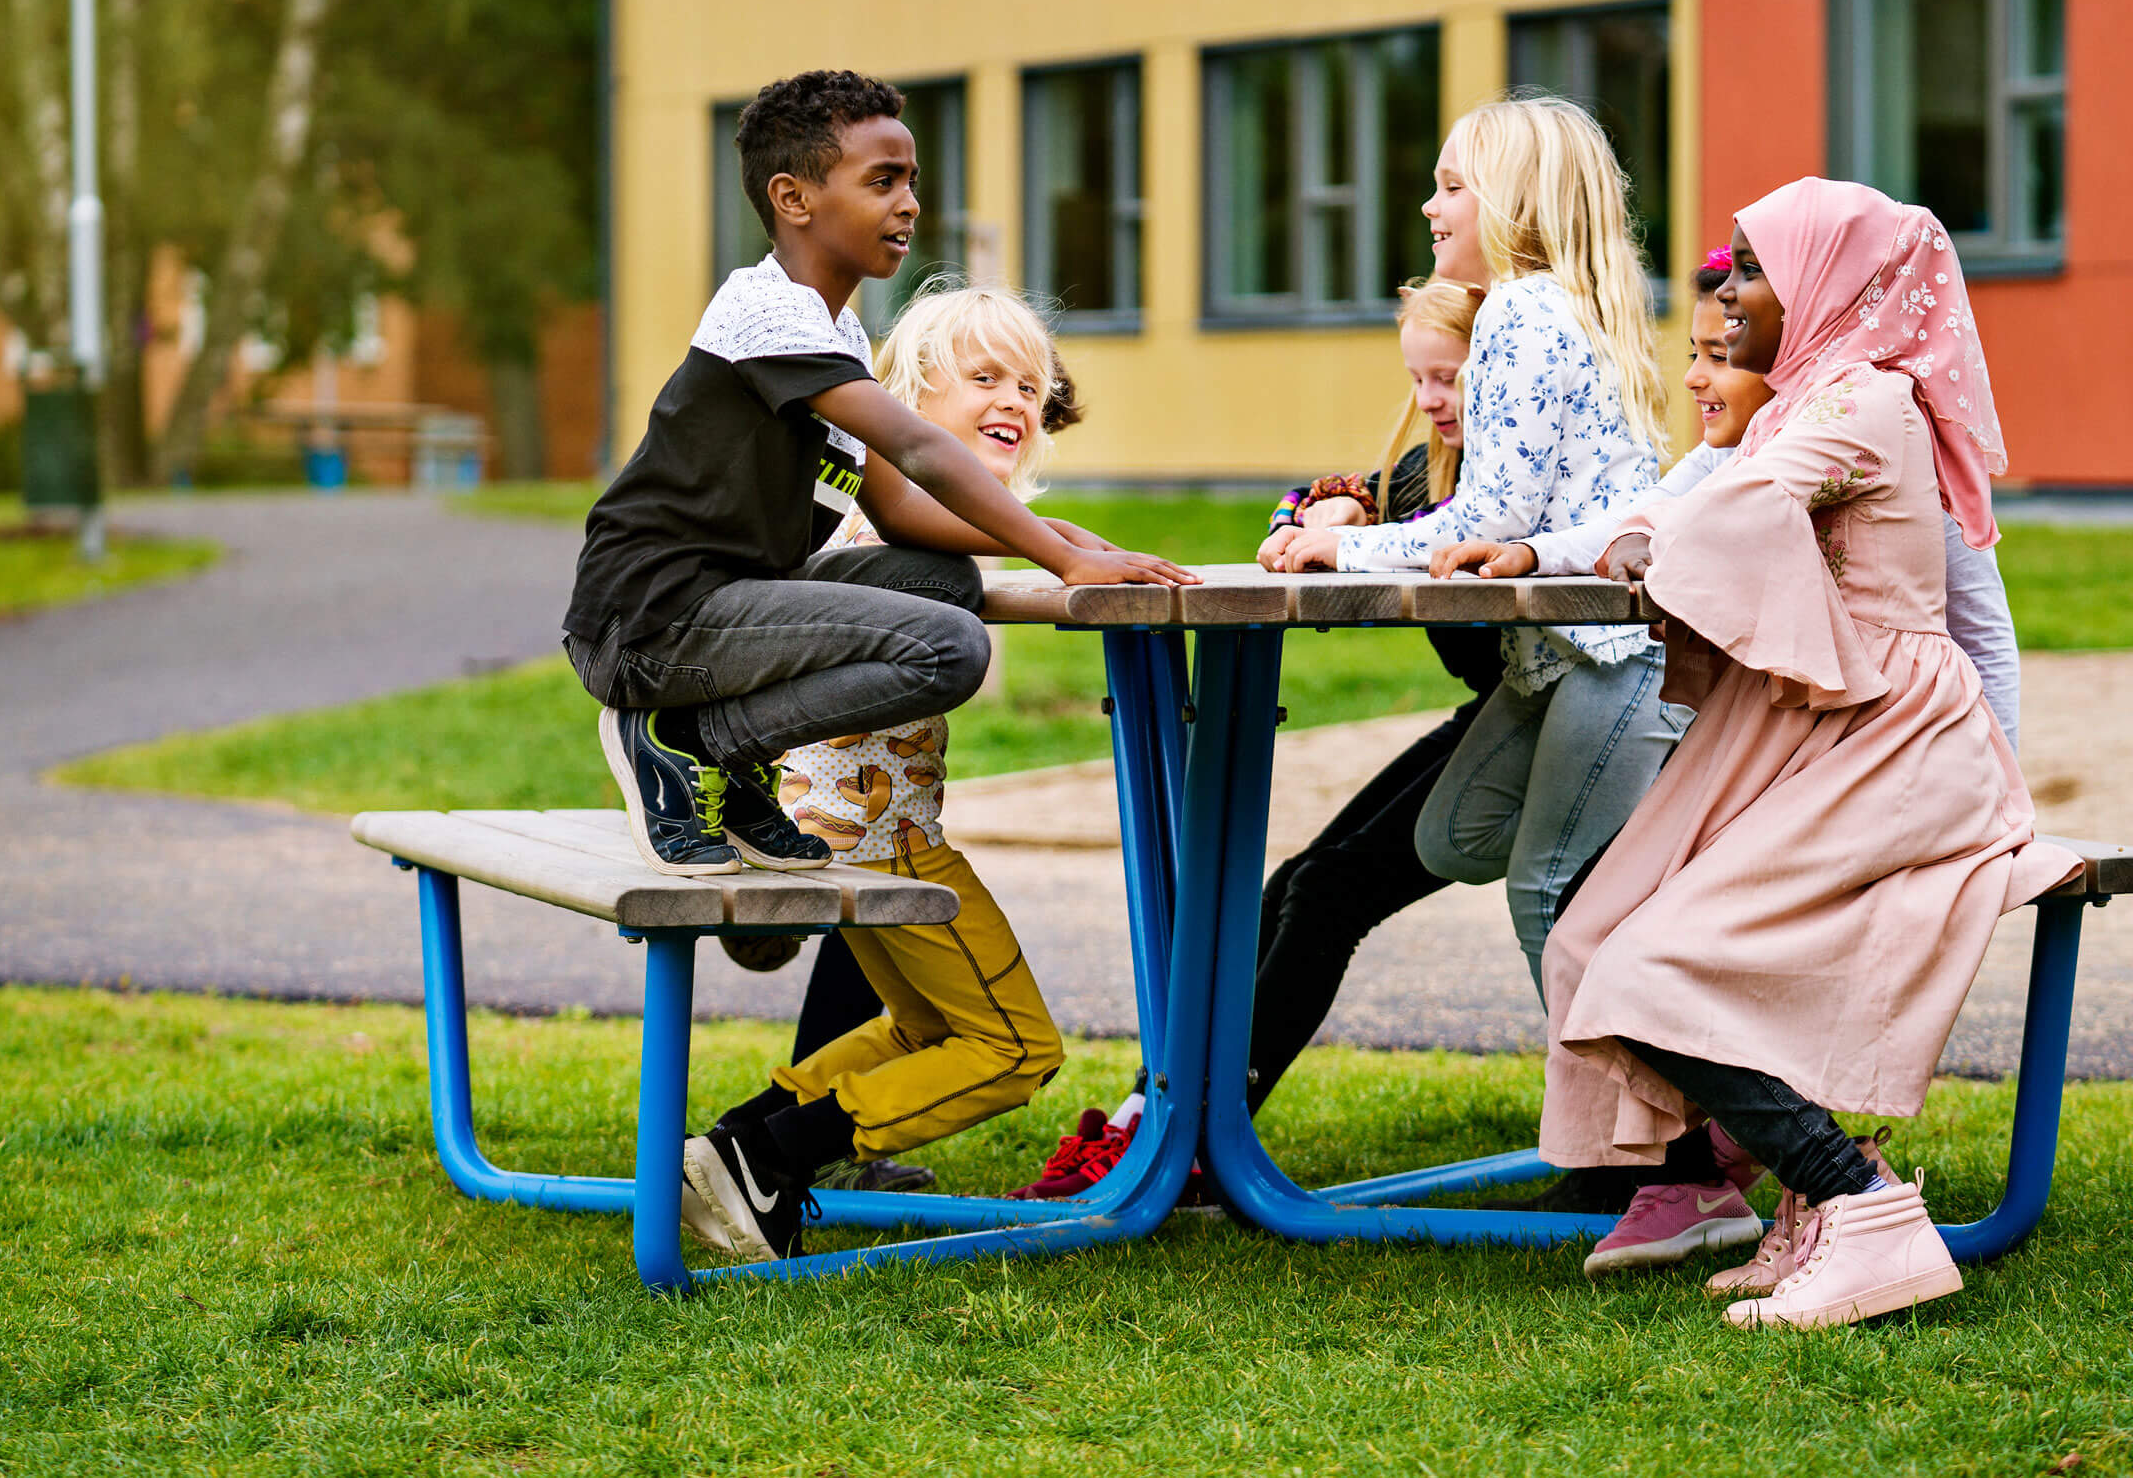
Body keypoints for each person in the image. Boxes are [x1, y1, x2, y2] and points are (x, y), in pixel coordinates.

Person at [1533, 178, 2080, 1330]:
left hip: (1887, 742)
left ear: (1836, 285)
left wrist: (1651, 542)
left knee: (1654, 968)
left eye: (1756, 266)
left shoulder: (1869, 405)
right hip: (1809, 728)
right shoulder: (1807, 399)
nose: (1731, 288)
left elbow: (1737, 512)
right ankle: (1805, 1205)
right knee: (1593, 937)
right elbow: (1711, 499)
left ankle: (1861, 1202)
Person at [564, 67, 1188, 886]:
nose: (910, 205)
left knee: (941, 585)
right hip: (650, 622)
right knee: (950, 648)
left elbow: (896, 508)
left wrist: (1061, 538)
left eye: (913, 182)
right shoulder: (768, 314)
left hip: (725, 608)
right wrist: (1063, 562)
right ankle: (691, 742)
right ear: (794, 199)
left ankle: (721, 756)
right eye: (883, 182)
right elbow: (925, 452)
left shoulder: (838, 333)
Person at [1006, 277, 1499, 1199]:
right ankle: (1164, 1120)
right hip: (1497, 714)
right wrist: (1321, 517)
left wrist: (1349, 533)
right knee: (1290, 885)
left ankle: (1189, 1134)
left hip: (1547, 723)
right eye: (1418, 382)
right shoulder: (1427, 468)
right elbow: (1311, 498)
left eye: (1451, 379)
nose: (1432, 402)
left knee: (1324, 894)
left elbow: (1443, 538)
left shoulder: (1507, 475)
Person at [678, 283, 1092, 1261]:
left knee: (920, 1028)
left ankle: (738, 1143)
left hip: (846, 828)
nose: (1016, 400)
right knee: (1015, 1049)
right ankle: (777, 1155)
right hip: (884, 840)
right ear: (908, 403)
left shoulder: (895, 523)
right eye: (985, 378)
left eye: (1031, 386)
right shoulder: (895, 527)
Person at [1265, 94, 1679, 1001]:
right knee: (1450, 835)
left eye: (1452, 186)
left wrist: (1340, 552)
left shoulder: (1522, 314)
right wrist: (1335, 522)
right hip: (1560, 660)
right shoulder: (1562, 308)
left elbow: (1486, 518)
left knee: (1545, 896)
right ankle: (1637, 889)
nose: (1429, 205)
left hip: (1608, 658)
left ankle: (1643, 1134)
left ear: (1517, 206)